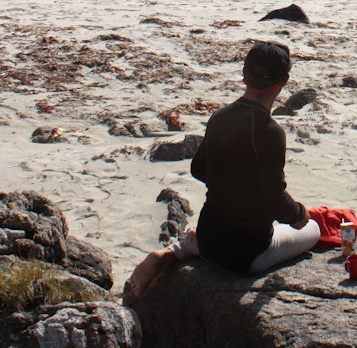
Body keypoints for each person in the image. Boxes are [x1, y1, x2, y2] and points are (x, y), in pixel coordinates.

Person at [125, 42, 319, 297]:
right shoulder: (272, 132)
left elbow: (198, 169)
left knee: (222, 227)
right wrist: (298, 214)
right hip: (245, 257)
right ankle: (186, 248)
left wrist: (232, 185)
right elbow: (274, 199)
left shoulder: (220, 117)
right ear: (284, 81)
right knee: (313, 229)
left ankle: (180, 249)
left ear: (244, 75)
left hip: (209, 237)